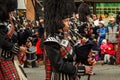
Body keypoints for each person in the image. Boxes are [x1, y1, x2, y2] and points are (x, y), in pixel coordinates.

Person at [44, 0, 95, 80]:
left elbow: (76, 55)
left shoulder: (68, 36)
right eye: (66, 21)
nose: (69, 23)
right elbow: (60, 65)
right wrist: (81, 69)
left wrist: (87, 60)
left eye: (68, 20)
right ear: (58, 22)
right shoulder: (51, 41)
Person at [0, 0, 26, 79]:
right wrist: (17, 48)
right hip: (2, 59)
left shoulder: (10, 24)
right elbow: (3, 42)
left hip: (10, 58)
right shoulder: (1, 26)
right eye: (10, 13)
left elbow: (17, 38)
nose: (12, 15)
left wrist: (26, 37)